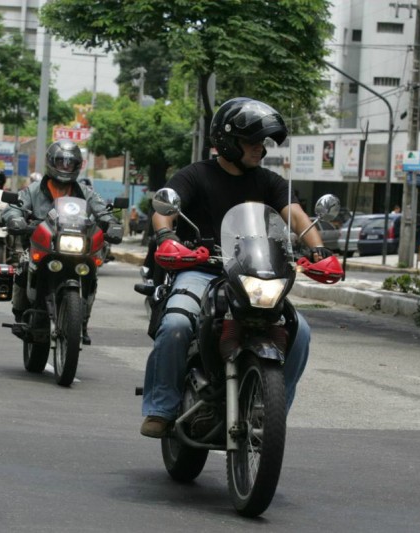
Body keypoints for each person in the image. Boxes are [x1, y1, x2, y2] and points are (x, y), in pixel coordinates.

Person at [139, 98, 333, 438]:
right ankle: (162, 406)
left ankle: (271, 412)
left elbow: (296, 215)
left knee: (300, 331)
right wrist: (167, 235)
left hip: (254, 274)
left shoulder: (270, 182)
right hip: (202, 269)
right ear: (228, 141)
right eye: (252, 142)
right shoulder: (195, 175)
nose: (261, 149)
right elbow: (164, 208)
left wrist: (318, 249)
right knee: (176, 323)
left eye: (264, 142)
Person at [2, 140, 123, 345]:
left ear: (77, 166)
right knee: (23, 265)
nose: (65, 167)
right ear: (51, 162)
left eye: (70, 163)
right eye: (61, 162)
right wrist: (15, 218)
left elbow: (102, 211)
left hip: (74, 243)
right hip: (41, 243)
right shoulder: (34, 190)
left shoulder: (85, 192)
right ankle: (20, 314)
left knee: (91, 271)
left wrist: (112, 224)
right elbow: (16, 207)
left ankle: (82, 321)